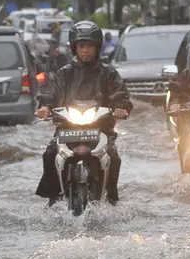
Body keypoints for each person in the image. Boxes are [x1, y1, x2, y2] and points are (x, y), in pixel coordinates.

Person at [35, 20, 132, 206]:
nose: (85, 50)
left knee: (113, 156)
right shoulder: (64, 73)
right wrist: (45, 107)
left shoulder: (108, 73)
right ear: (74, 47)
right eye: (81, 46)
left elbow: (120, 94)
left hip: (100, 129)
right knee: (49, 154)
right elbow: (51, 93)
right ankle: (53, 196)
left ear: (97, 47)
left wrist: (121, 107)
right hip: (67, 128)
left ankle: (111, 198)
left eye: (89, 46)